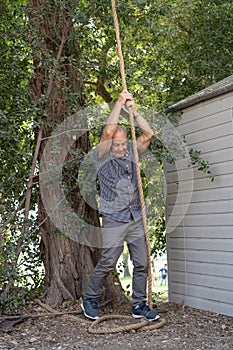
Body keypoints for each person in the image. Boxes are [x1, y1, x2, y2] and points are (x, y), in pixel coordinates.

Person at [81, 90, 160, 322]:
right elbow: (107, 131)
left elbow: (148, 133)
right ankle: (90, 299)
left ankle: (138, 305)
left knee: (142, 263)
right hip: (115, 218)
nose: (120, 148)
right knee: (108, 260)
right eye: (116, 144)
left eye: (122, 143)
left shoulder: (132, 153)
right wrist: (118, 103)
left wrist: (133, 113)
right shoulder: (102, 156)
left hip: (135, 216)